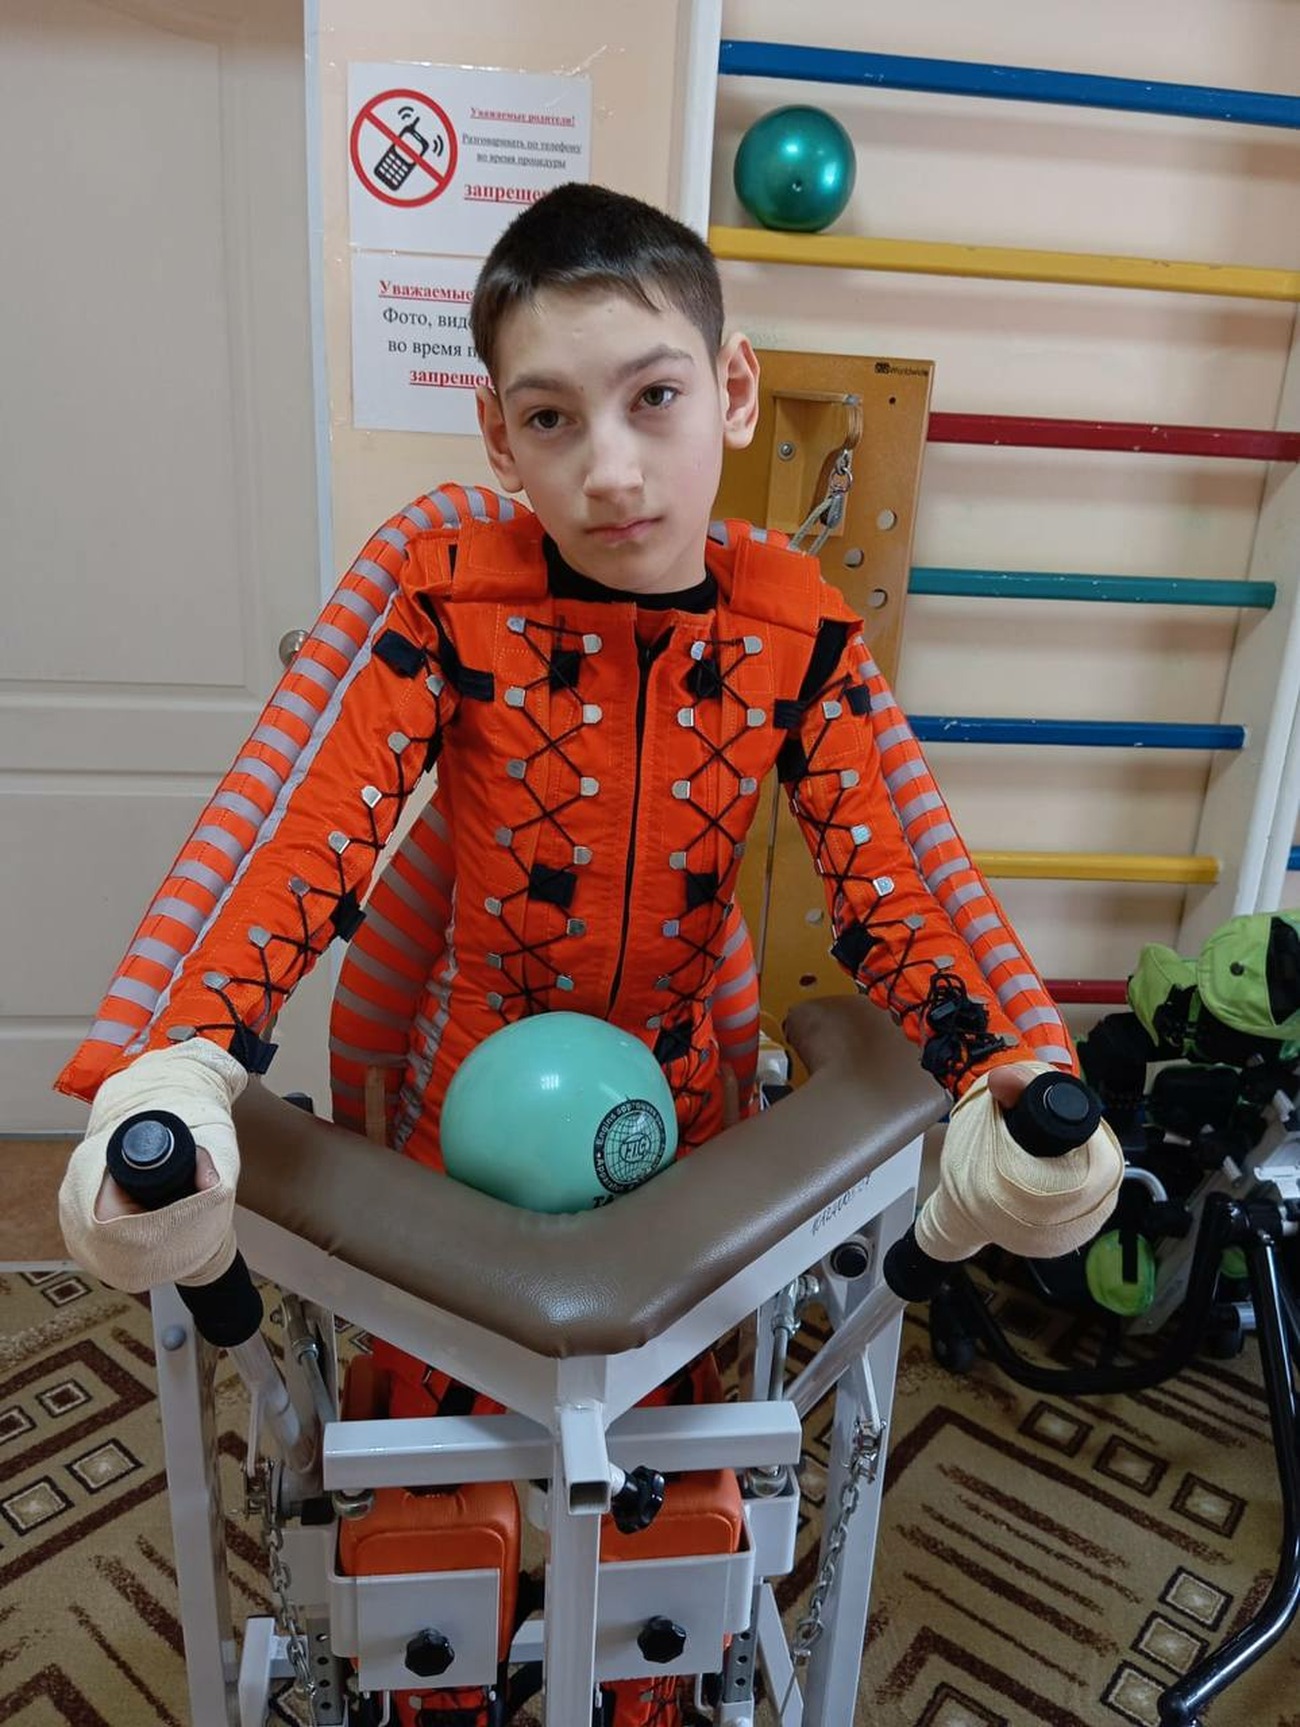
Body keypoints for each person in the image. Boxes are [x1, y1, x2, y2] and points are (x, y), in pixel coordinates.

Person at [56, 183, 1119, 1725]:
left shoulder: (792, 621)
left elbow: (902, 862)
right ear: (500, 438)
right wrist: (176, 1054)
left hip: (683, 1102)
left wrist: (1013, 1063)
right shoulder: (444, 583)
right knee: (442, 1453)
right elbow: (301, 812)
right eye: (552, 419)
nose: (611, 469)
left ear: (733, 389)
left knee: (660, 1455)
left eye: (654, 398)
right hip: (464, 1091)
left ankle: (644, 1681)